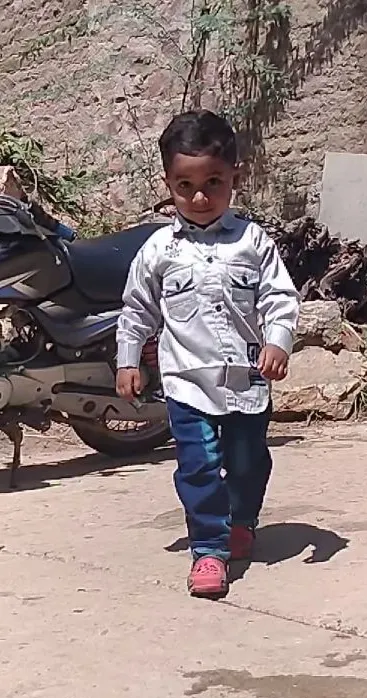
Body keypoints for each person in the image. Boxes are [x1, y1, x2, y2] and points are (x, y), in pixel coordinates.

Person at [116, 110, 300, 598]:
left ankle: (242, 520)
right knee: (197, 466)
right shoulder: (158, 250)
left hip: (246, 379)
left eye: (213, 182)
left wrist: (278, 341)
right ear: (168, 184)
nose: (199, 197)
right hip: (186, 382)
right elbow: (137, 309)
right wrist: (128, 359)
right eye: (185, 185)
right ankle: (209, 550)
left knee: (247, 461)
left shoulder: (253, 242)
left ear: (235, 177)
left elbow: (280, 298)